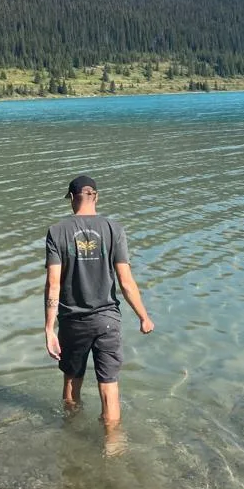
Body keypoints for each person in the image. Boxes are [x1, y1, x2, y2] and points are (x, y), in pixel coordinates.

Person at [44, 174, 154, 430]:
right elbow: (126, 282)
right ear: (96, 196)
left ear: (72, 198)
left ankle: (72, 434)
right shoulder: (114, 229)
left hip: (73, 322)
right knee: (110, 387)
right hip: (108, 321)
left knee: (72, 384)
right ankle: (113, 444)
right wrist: (143, 317)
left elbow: (53, 284)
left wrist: (49, 328)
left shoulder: (56, 232)